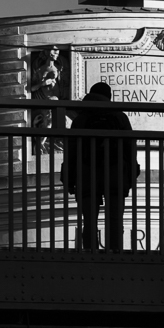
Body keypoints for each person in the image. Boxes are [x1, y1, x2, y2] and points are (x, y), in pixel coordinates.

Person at [60, 81, 139, 250]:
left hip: (87, 174)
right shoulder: (120, 117)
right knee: (115, 219)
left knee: (89, 220)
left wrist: (68, 177)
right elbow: (130, 148)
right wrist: (131, 175)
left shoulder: (81, 119)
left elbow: (72, 151)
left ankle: (91, 254)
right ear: (109, 97)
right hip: (115, 173)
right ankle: (115, 254)